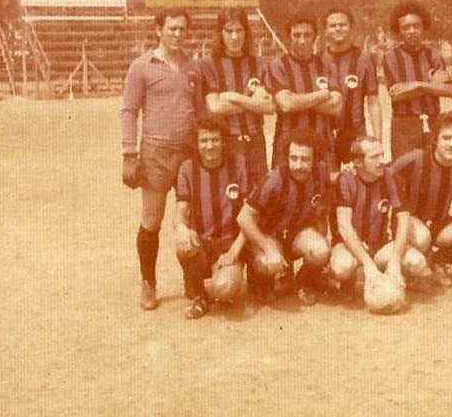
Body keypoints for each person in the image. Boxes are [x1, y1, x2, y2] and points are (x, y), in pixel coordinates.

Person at [120, 8, 201, 311]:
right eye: (172, 29)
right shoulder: (142, 67)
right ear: (159, 30)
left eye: (182, 29)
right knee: (152, 220)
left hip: (187, 153)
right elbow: (129, 110)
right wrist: (130, 153)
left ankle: (191, 280)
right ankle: (148, 283)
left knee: (187, 220)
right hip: (155, 152)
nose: (178, 35)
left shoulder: (194, 67)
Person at [237, 127, 332, 306]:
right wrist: (267, 247)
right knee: (265, 263)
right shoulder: (274, 179)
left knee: (321, 251)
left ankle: (304, 280)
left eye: (304, 159)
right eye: (293, 158)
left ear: (315, 159)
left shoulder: (321, 173)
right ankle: (264, 284)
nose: (298, 165)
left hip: (297, 235)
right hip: (271, 236)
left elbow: (323, 208)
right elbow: (243, 217)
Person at [390, 112, 452, 287]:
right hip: (412, 221)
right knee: (423, 238)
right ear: (435, 139)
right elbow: (386, 174)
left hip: (441, 221)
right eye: (446, 138)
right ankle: (414, 264)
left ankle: (439, 260)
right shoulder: (416, 158)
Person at [329, 136, 428, 300]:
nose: (382, 161)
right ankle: (348, 278)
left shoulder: (390, 177)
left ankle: (391, 278)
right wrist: (368, 265)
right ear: (358, 162)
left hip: (380, 244)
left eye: (382, 154)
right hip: (349, 246)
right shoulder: (345, 179)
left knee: (417, 263)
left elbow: (404, 220)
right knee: (342, 267)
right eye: (374, 157)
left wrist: (395, 260)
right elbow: (344, 227)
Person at [174, 116, 249, 319]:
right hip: (202, 245)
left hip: (228, 244)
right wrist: (181, 227)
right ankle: (200, 294)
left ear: (224, 141)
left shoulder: (238, 163)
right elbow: (181, 209)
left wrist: (234, 252)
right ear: (196, 143)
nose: (209, 146)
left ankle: (214, 286)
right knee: (184, 244)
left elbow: (249, 216)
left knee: (224, 289)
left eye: (215, 140)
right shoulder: (188, 168)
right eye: (204, 141)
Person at [199, 8, 275, 187]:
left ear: (246, 33)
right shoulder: (208, 64)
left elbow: (269, 107)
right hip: (226, 141)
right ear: (220, 33)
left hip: (255, 139)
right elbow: (216, 107)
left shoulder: (258, 63)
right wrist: (252, 102)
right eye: (229, 31)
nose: (234, 37)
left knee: (257, 196)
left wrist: (233, 96)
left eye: (239, 31)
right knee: (229, 195)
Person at [265, 14, 343, 169]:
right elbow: (286, 104)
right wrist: (322, 94)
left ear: (315, 37)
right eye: (296, 35)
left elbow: (336, 106)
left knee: (325, 190)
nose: (302, 41)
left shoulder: (327, 65)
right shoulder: (278, 65)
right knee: (286, 190)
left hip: (322, 141)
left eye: (307, 35)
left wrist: (297, 99)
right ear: (289, 37)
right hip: (287, 142)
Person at [383, 1, 452, 159]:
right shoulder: (391, 57)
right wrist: (431, 86)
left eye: (416, 26)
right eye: (406, 28)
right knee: (405, 173)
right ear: (399, 31)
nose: (412, 31)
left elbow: (449, 91)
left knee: (434, 169)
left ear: (423, 27)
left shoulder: (433, 55)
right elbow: (396, 94)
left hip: (434, 120)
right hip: (404, 125)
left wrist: (417, 85)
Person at [321, 7, 382, 165]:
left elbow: (373, 102)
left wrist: (378, 139)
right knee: (328, 181)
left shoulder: (364, 59)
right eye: (333, 25)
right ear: (325, 30)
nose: (338, 28)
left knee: (357, 181)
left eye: (342, 24)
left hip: (354, 133)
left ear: (351, 28)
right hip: (324, 132)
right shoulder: (318, 59)